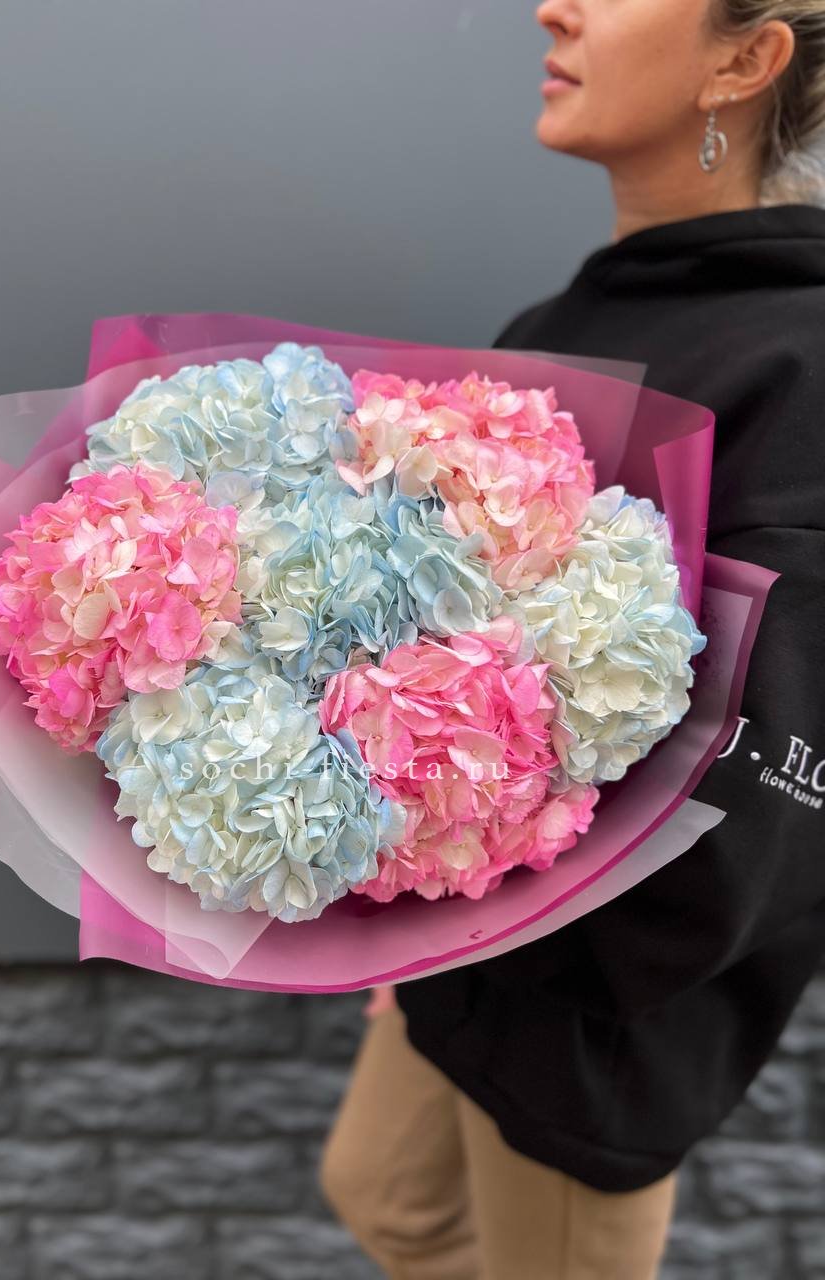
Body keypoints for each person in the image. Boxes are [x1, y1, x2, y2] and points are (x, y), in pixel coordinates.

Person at [319, 1, 825, 1276]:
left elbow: (770, 789)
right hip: (473, 942)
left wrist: (483, 905)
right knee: (384, 1194)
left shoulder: (798, 360)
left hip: (600, 1003)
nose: (555, 6)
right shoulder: (569, 322)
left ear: (744, 59)